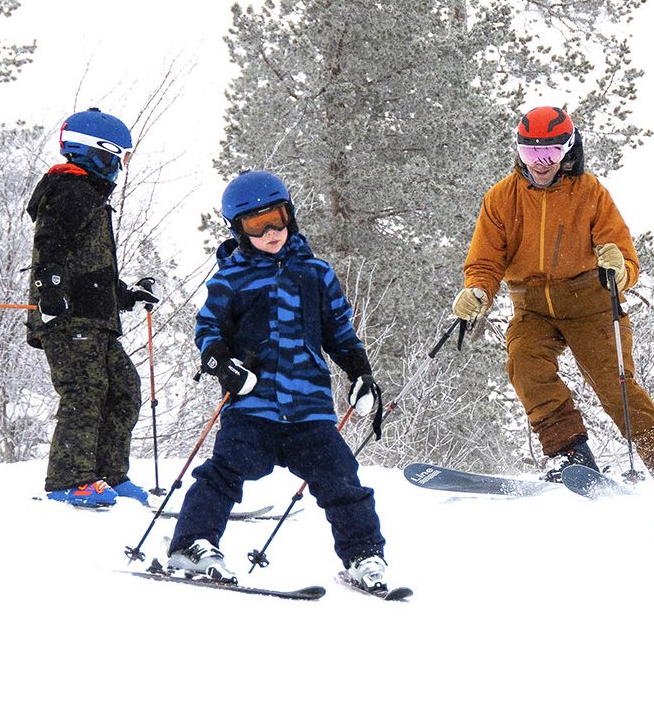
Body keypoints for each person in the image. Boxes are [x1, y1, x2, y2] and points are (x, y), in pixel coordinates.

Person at [166, 169, 391, 590]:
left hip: (309, 407)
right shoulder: (230, 279)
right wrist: (220, 363)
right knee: (224, 473)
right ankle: (193, 543)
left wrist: (361, 373)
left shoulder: (317, 274)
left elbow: (340, 333)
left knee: (342, 479)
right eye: (257, 224)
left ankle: (364, 555)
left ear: (290, 215)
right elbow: (208, 330)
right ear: (239, 228)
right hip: (253, 403)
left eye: (278, 218)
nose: (272, 231)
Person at [455, 105, 654, 491]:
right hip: (532, 307)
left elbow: (622, 254)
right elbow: (485, 260)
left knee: (617, 390)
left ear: (568, 148)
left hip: (591, 306)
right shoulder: (502, 198)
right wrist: (477, 289)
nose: (541, 163)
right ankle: (572, 454)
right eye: (531, 153)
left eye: (550, 152)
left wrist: (619, 270)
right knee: (524, 363)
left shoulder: (589, 192)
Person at [25, 107, 159, 508]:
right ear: (97, 151)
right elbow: (50, 245)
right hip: (67, 317)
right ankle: (69, 480)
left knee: (122, 389)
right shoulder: (70, 190)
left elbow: (91, 271)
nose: (120, 166)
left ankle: (109, 475)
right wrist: (48, 288)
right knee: (85, 390)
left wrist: (127, 294)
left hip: (94, 319)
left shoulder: (90, 197)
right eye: (119, 156)